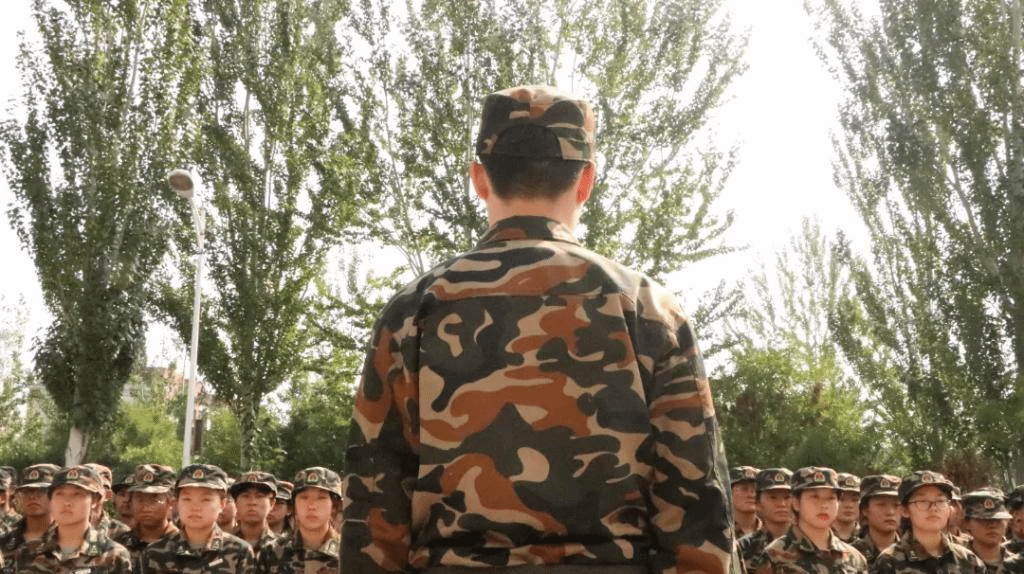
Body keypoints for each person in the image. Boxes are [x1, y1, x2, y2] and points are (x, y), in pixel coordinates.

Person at [342, 85, 735, 574]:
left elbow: (374, 501)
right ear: (586, 181)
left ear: (479, 178)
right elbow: (697, 501)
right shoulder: (649, 309)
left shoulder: (413, 310)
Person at [749, 466, 867, 574]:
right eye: (815, 497)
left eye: (831, 498)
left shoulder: (854, 558)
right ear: (796, 503)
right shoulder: (775, 555)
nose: (824, 505)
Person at [142, 463, 255, 574]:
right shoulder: (154, 553)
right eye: (187, 499)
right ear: (176, 503)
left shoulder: (239, 551)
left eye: (205, 499)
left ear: (222, 504)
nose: (195, 507)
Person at [17, 465, 132, 574]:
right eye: (60, 494)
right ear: (50, 499)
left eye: (77, 494)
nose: (67, 502)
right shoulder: (28, 552)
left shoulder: (113, 555)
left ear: (95, 500)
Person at [871, 470, 986, 574]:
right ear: (904, 510)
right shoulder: (889, 562)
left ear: (949, 509)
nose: (933, 508)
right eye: (923, 501)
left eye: (940, 501)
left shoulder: (968, 561)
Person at [255, 467, 341, 574]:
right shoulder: (271, 552)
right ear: (294, 505)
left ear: (334, 506)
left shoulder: (349, 553)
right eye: (304, 497)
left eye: (321, 498)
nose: (312, 506)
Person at [114, 464, 179, 572]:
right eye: (140, 499)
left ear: (171, 503)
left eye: (154, 500)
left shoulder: (185, 547)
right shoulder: (118, 546)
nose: (146, 507)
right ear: (131, 501)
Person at [0, 463, 60, 569]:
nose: (32, 497)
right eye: (27, 491)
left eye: (41, 491)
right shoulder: (5, 540)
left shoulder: (69, 538)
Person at [739, 468, 794, 571]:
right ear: (757, 503)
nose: (781, 504)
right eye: (773, 498)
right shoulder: (744, 547)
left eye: (787, 497)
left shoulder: (811, 544)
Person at [851, 474, 902, 567]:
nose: (890, 512)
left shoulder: (915, 554)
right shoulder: (850, 555)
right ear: (865, 509)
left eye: (896, 505)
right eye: (881, 505)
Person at [960, 489, 1015, 574]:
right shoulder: (954, 563)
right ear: (966, 523)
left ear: (1007, 522)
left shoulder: (1018, 564)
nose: (992, 525)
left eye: (998, 519)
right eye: (983, 520)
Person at [229, 471, 279, 554]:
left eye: (259, 496)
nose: (252, 502)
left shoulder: (283, 547)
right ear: (236, 503)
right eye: (245, 496)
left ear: (272, 503)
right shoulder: (221, 546)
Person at [732, 466, 762, 539]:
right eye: (744, 489)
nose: (752, 494)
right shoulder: (720, 530)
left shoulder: (770, 530)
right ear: (730, 493)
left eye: (756, 489)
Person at [834, 473, 862, 542]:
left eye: (855, 500)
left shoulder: (869, 536)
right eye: (841, 499)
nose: (849, 505)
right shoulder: (819, 535)